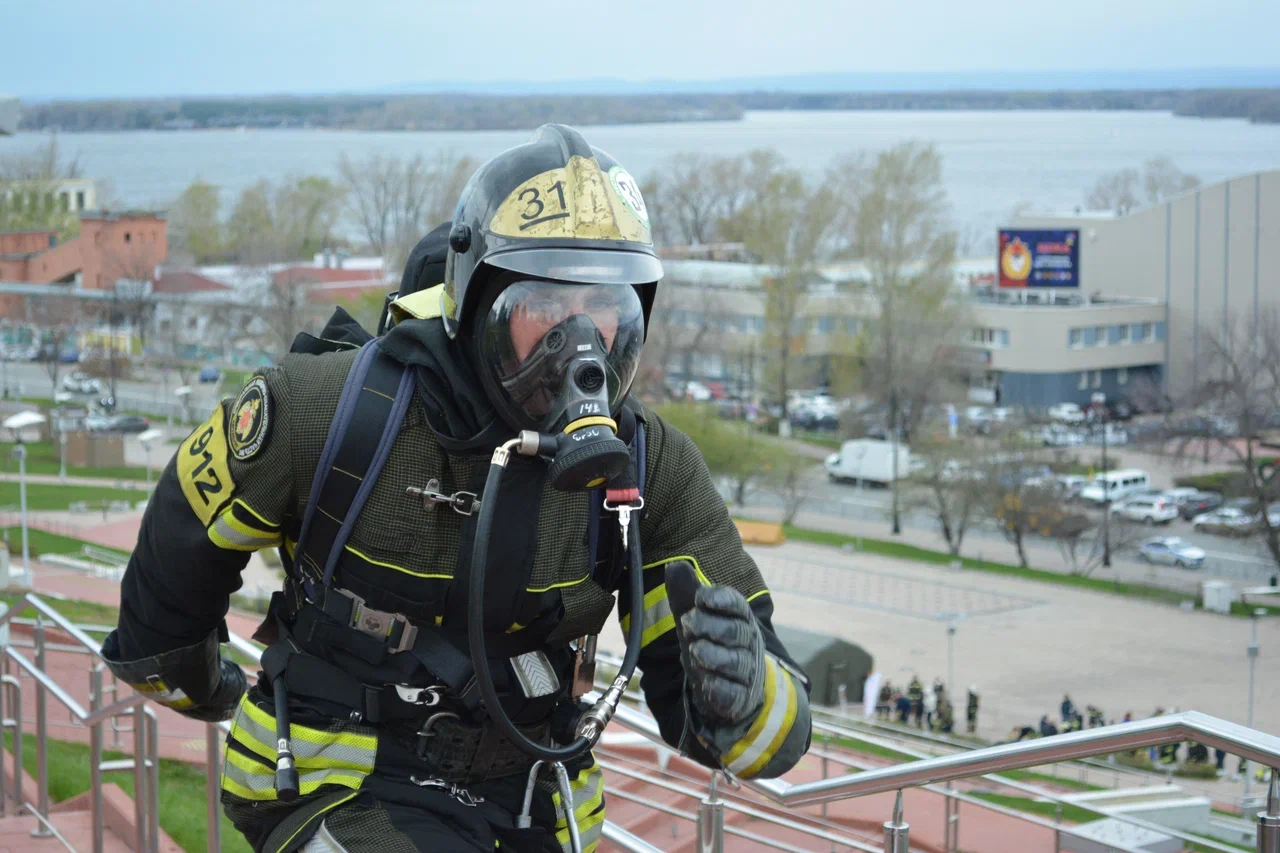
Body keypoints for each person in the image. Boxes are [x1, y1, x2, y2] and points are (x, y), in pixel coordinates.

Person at [98, 125, 813, 853]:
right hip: (336, 786)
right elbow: (175, 552)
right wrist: (197, 682)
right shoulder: (328, 410)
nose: (583, 342)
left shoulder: (648, 467)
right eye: (547, 307)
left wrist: (746, 695)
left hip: (535, 808)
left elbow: (756, 739)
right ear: (477, 302)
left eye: (606, 308)